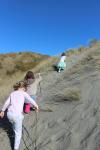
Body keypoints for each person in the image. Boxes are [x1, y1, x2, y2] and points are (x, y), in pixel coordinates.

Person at [0, 81, 39, 150]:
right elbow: (30, 100)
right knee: (18, 133)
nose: (25, 89)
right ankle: (16, 148)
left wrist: (3, 111)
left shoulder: (12, 93)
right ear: (23, 87)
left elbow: (6, 103)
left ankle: (14, 132)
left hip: (9, 114)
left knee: (13, 123)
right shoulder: (24, 93)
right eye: (25, 88)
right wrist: (36, 106)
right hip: (17, 116)